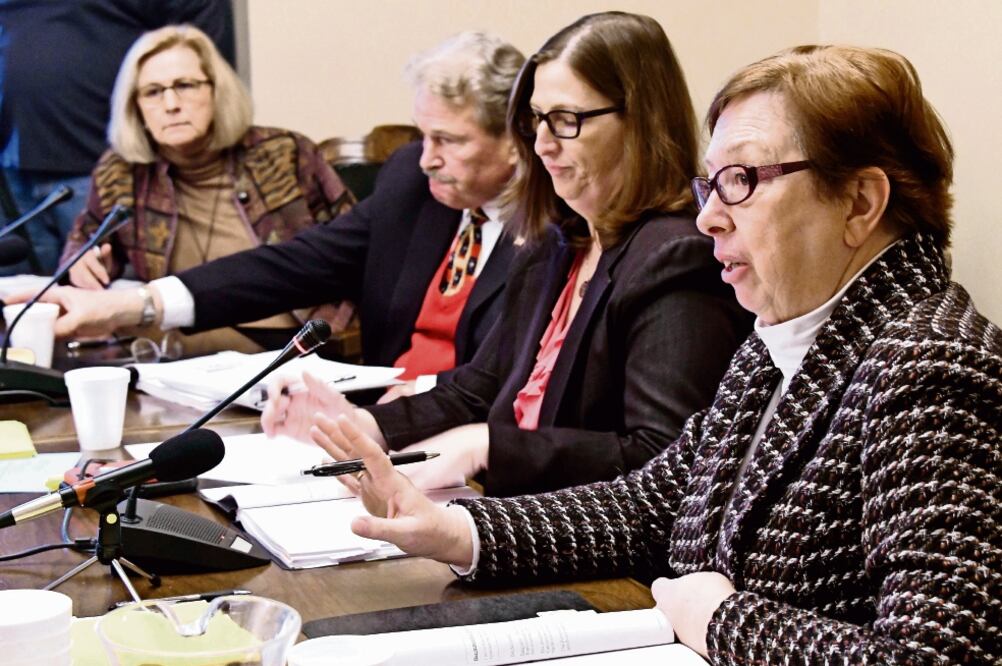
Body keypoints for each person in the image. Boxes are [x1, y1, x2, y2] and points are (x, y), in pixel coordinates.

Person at [307, 44, 1002, 663]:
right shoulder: (785, 334)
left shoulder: (931, 368)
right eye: (712, 182)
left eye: (744, 180)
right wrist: (453, 530)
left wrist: (724, 620)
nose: (708, 217)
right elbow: (651, 504)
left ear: (859, 202)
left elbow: (938, 653)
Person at [265, 12, 750, 497]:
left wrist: (490, 446)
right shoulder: (559, 239)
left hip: (609, 559)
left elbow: (665, 461)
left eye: (565, 120)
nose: (541, 144)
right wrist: (362, 424)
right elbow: (479, 387)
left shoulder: (677, 255)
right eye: (536, 120)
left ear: (639, 120)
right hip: (513, 517)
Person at [15, 32, 523, 383]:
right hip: (360, 416)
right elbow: (297, 263)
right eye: (423, 135)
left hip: (458, 446)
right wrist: (135, 303)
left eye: (449, 140)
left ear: (516, 142)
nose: (427, 158)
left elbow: (494, 390)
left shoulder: (558, 226)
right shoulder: (411, 182)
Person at [58, 24, 347, 356]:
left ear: (216, 91)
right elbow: (83, 245)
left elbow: (355, 250)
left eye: (185, 85)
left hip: (284, 351)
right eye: (152, 91)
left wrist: (334, 332)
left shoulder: (284, 153)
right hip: (176, 360)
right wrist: (82, 263)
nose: (170, 104)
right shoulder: (121, 172)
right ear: (135, 107)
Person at [0, 1, 235, 276]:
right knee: (24, 305)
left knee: (113, 299)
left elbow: (199, 26)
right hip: (11, 171)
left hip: (107, 165)